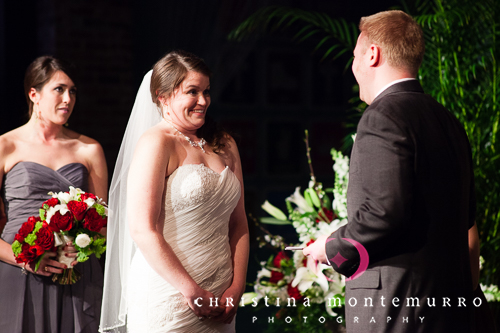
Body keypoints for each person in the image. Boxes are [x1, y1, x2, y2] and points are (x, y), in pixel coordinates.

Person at [304, 10, 480, 332]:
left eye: (355, 55)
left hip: (397, 312)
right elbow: (468, 226)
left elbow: (382, 215)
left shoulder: (382, 116)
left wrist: (329, 248)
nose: (354, 66)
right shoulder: (449, 122)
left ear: (373, 54)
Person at [99, 50, 250, 332]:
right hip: (169, 292)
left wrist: (236, 286)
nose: (203, 101)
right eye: (192, 92)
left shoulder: (225, 143)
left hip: (221, 295)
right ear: (162, 96)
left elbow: (239, 223)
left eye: (206, 91)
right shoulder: (156, 143)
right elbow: (143, 229)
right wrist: (190, 290)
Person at [0, 56, 108, 332]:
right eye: (59, 89)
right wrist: (26, 257)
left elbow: (104, 221)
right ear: (34, 94)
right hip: (19, 269)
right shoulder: (6, 146)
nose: (68, 98)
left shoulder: (88, 149)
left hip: (75, 271)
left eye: (72, 91)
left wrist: (81, 246)